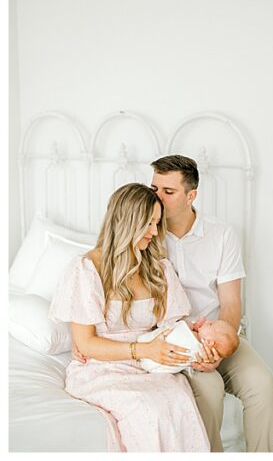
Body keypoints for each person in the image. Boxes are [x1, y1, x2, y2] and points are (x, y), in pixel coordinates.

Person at [49, 183, 209, 452]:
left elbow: (171, 326)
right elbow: (86, 343)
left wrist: (194, 337)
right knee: (146, 410)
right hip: (102, 368)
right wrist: (144, 349)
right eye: (149, 223)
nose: (154, 232)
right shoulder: (87, 269)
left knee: (179, 402)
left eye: (157, 223)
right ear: (127, 221)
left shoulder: (158, 268)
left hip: (150, 364)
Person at [149, 154, 273, 452]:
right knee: (209, 392)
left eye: (168, 191)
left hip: (220, 332)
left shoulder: (221, 234)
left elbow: (231, 302)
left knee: (264, 385)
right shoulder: (147, 234)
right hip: (177, 342)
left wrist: (218, 347)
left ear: (191, 196)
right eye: (154, 189)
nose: (157, 197)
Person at [137, 318, 240, 374]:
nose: (208, 321)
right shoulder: (199, 352)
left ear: (209, 342)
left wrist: (189, 325)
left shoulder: (192, 341)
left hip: (149, 349)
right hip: (156, 369)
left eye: (210, 325)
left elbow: (175, 329)